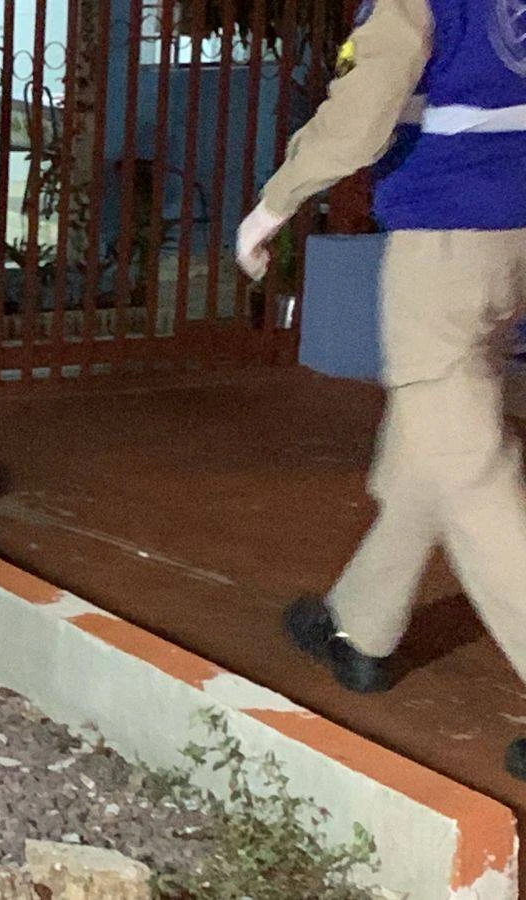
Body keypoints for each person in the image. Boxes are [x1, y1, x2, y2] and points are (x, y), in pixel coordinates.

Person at [235, 0, 526, 778]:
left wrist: (276, 201)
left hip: (447, 236)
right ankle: (360, 626)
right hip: (515, 233)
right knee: (432, 433)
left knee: (469, 470)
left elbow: (366, 108)